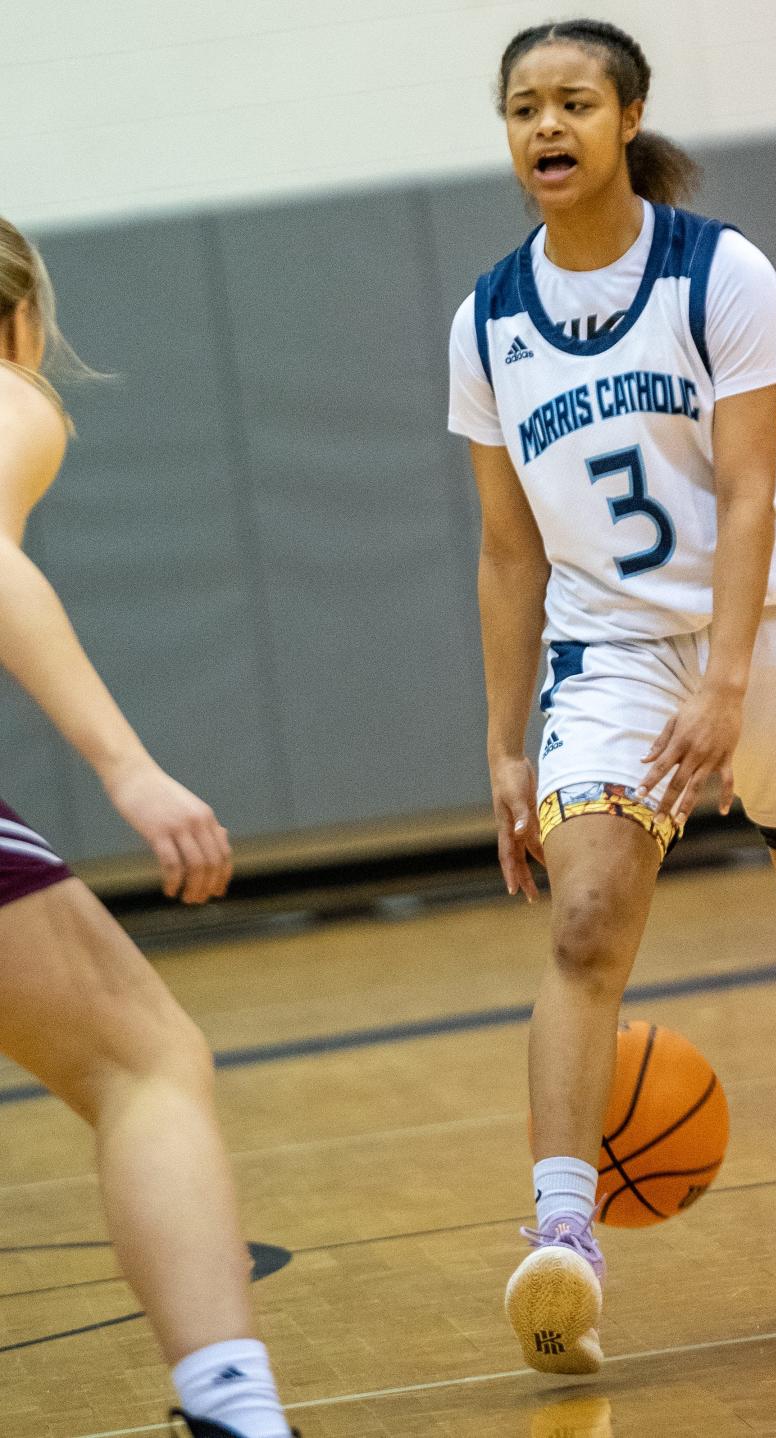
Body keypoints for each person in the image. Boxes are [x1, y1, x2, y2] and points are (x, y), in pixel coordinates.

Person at [447, 19, 776, 1375]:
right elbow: (508, 551)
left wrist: (727, 680)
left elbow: (746, 487)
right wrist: (505, 748)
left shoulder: (719, 272)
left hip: (774, 626)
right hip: (607, 651)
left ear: (627, 118)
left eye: (570, 102)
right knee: (588, 917)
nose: (543, 127)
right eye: (521, 108)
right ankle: (565, 1240)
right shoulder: (488, 317)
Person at [0, 219, 297, 1438]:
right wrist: (132, 769)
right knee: (145, 1061)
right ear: (22, 320)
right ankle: (233, 1407)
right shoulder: (12, 399)